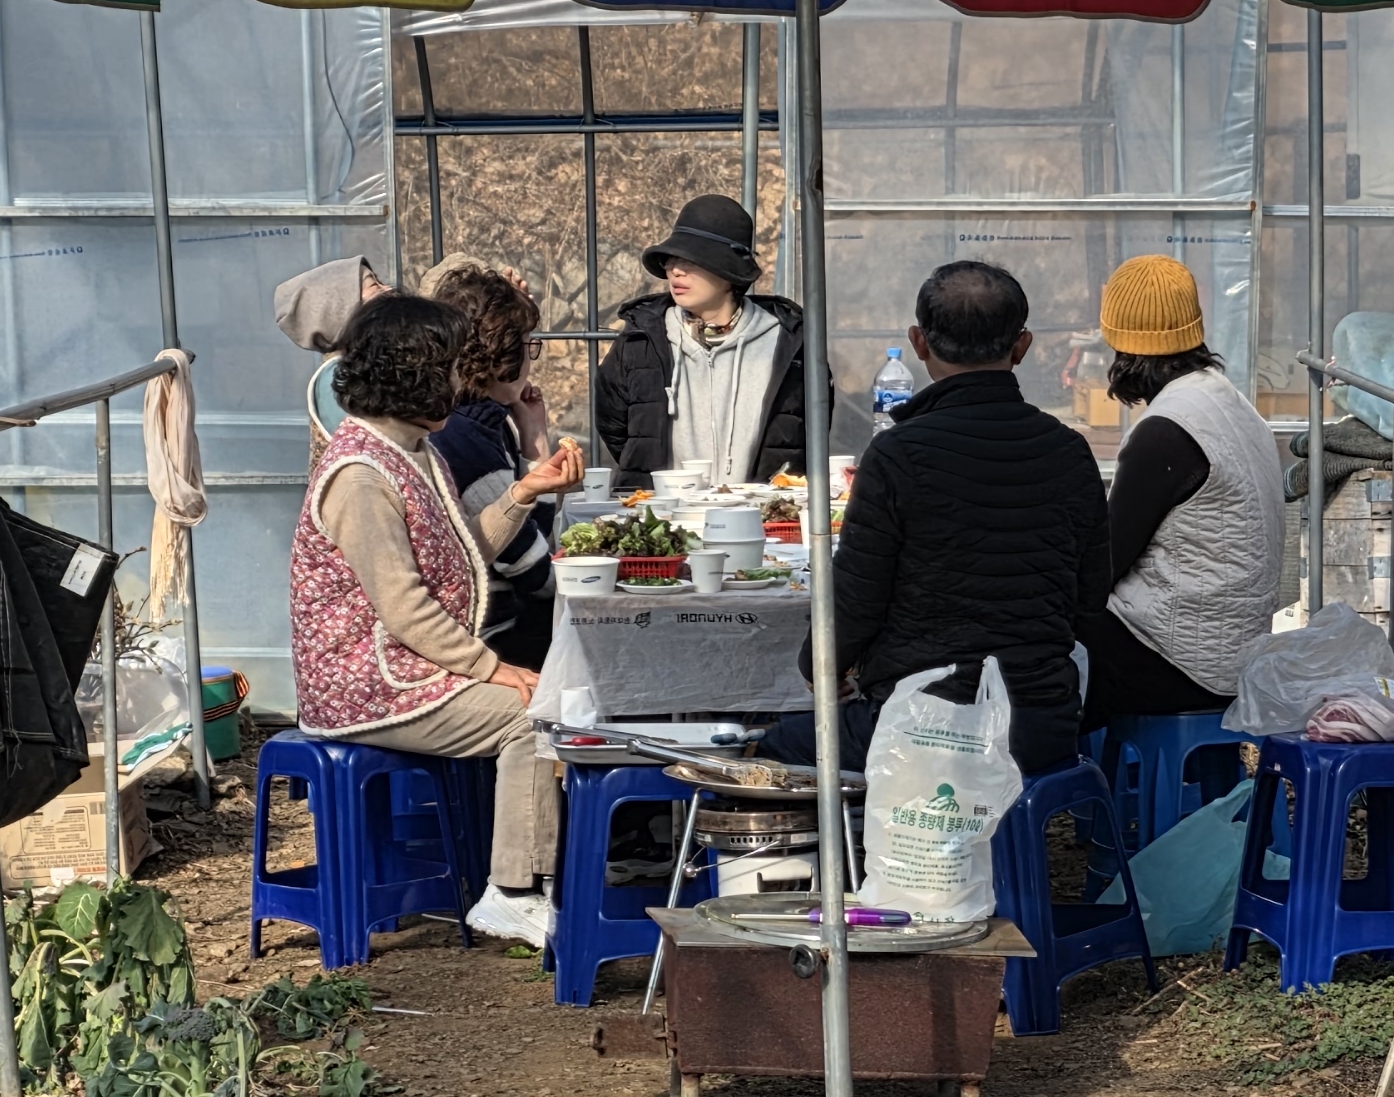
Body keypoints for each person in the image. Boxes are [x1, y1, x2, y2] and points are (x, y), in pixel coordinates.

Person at [290, 292, 584, 948]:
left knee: (543, 697)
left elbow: (457, 554)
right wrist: (492, 669)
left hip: (407, 669)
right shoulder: (361, 476)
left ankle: (532, 881)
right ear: (416, 374)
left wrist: (522, 493)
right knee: (532, 713)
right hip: (367, 686)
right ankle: (513, 893)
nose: (459, 380)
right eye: (450, 367)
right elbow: (404, 605)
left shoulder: (411, 450)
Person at [762, 261, 1107, 777]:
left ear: (918, 343)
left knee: (773, 748)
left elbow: (856, 597)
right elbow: (1090, 596)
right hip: (1040, 727)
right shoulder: (1070, 451)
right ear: (1022, 346)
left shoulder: (897, 454)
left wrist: (822, 666)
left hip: (921, 725)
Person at [1081, 255, 1288, 721]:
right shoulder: (1230, 404)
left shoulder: (1166, 430)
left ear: (1121, 345)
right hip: (1233, 657)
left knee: (1031, 634)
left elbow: (1102, 567)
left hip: (1179, 664)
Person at [593, 194, 812, 481]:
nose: (676, 271)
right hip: (662, 507)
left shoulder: (787, 342)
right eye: (671, 259)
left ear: (730, 273)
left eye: (691, 260)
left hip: (761, 507)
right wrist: (653, 476)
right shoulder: (640, 339)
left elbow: (807, 430)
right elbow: (612, 423)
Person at [420, 256, 559, 671]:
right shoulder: (465, 437)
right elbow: (532, 571)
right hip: (490, 634)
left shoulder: (480, 419)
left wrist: (533, 435)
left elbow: (535, 539)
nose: (531, 359)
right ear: (500, 355)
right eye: (527, 345)